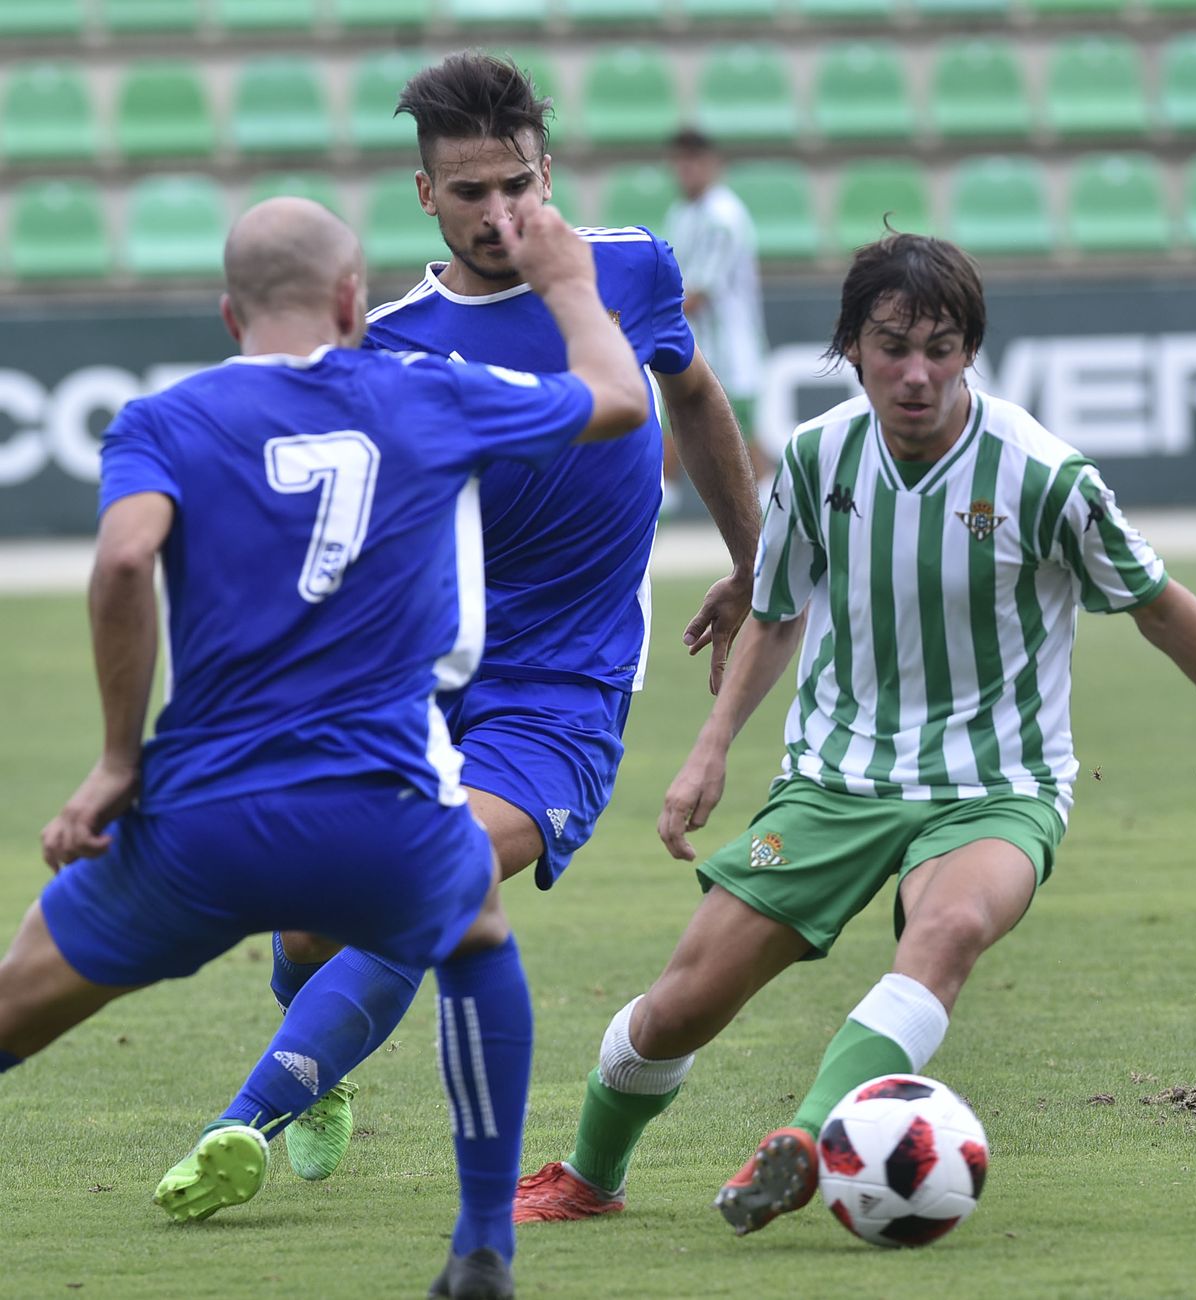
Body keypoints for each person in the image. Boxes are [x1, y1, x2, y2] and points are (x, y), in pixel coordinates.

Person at [514, 232, 1196, 1234]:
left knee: (951, 927)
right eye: (891, 346)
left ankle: (808, 1138)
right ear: (850, 346)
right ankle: (591, 1171)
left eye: (941, 346)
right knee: (678, 1008)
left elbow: (1158, 604)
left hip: (997, 783)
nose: (916, 373)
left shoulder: (1043, 476)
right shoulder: (812, 458)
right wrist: (710, 746)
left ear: (970, 350)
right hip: (836, 776)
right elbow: (778, 609)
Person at [0, 195, 647, 1299]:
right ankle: (483, 1242)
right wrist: (571, 285)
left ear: (226, 312)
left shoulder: (165, 419)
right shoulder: (425, 393)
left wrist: (117, 760)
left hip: (199, 822)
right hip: (382, 815)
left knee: (18, 997)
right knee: (478, 936)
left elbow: (120, 565)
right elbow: (620, 399)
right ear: (355, 303)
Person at [195, 52, 762, 1196]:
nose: (500, 214)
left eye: (518, 185)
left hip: (562, 692)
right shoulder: (390, 345)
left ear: (547, 174)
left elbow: (695, 396)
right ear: (426, 198)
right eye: (469, 192)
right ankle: (326, 1054)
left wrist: (753, 560)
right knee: (311, 922)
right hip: (414, 679)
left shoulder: (633, 273)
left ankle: (241, 1124)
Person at [662, 127, 771, 508]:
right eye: (680, 160)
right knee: (672, 424)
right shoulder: (682, 212)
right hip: (698, 345)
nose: (686, 169)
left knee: (742, 437)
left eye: (694, 160)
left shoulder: (723, 217)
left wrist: (639, 317)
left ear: (712, 165)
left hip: (731, 350)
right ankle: (660, 504)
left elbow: (697, 295)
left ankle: (775, 506)